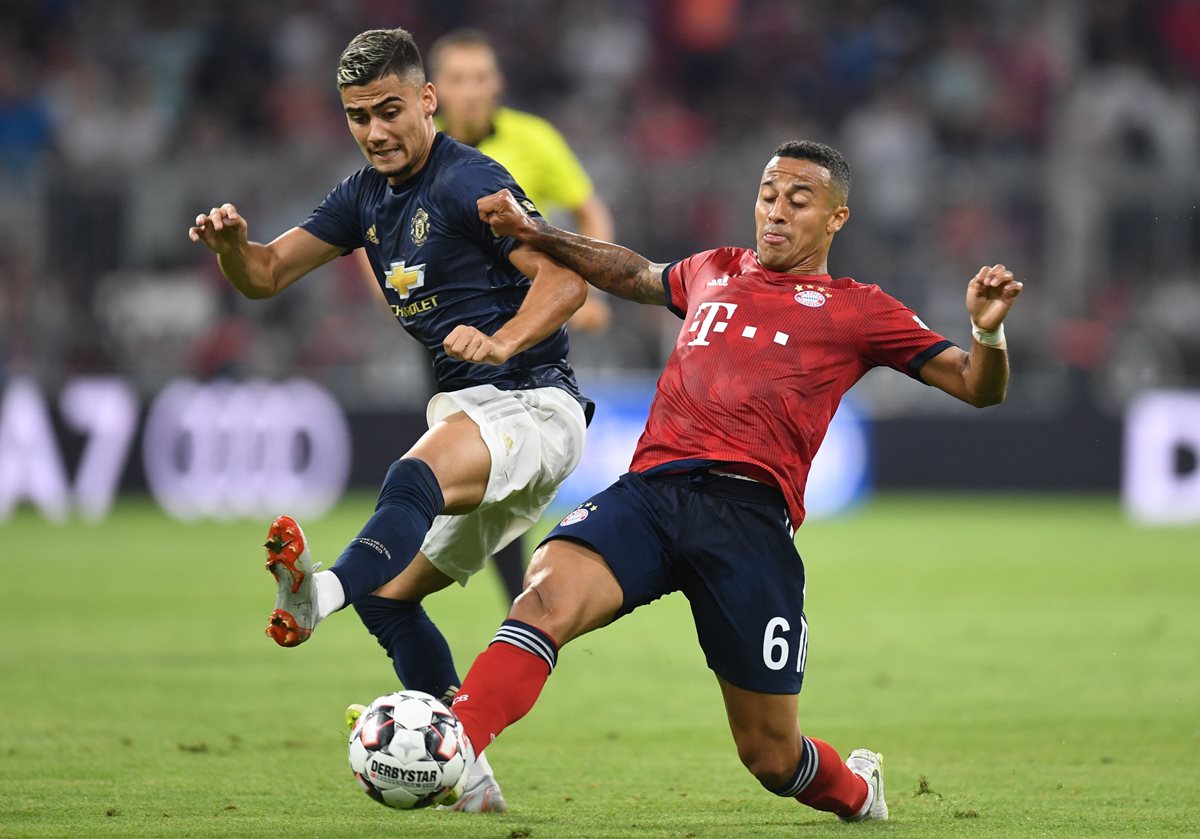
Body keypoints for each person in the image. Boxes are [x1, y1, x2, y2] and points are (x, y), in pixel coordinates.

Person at [443, 140, 1023, 822]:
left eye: (798, 201)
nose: (776, 212)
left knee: (771, 757)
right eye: (768, 196)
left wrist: (987, 333)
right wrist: (536, 231)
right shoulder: (713, 269)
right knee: (543, 600)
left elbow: (976, 386)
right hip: (653, 491)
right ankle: (453, 749)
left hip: (749, 521)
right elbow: (633, 272)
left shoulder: (859, 309)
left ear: (837, 218)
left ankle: (860, 793)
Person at [187, 28, 596, 814]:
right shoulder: (363, 197)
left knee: (411, 476)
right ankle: (470, 777)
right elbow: (265, 274)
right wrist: (233, 250)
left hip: (534, 404)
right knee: (389, 597)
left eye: (389, 110)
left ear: (426, 100)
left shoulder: (471, 180)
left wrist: (502, 340)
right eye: (357, 116)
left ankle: (319, 594)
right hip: (477, 415)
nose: (374, 131)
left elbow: (566, 280)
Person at [430, 27, 615, 600]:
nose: (470, 90)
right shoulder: (417, 150)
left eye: (480, 78)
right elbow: (374, 238)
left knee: (500, 472)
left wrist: (593, 290)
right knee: (463, 474)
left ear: (497, 84)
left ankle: (511, 597)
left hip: (524, 338)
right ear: (435, 90)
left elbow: (589, 211)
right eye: (458, 79)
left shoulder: (534, 139)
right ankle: (501, 596)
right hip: (446, 337)